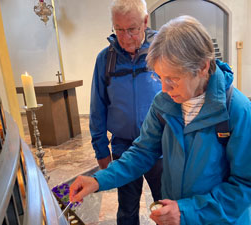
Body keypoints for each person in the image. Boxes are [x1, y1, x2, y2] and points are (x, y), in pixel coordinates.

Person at [71, 15, 251, 225]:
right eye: (159, 77)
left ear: (202, 67)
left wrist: (186, 212)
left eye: (172, 79)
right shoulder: (164, 103)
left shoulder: (237, 110)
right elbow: (142, 152)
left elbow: (247, 184)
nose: (164, 88)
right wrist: (98, 180)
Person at [88, 0, 162, 224]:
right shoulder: (105, 59)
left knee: (166, 203)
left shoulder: (163, 50)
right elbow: (97, 107)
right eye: (118, 29)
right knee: (127, 209)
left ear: (145, 21)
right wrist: (101, 150)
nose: (125, 37)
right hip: (123, 147)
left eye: (132, 29)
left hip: (160, 146)